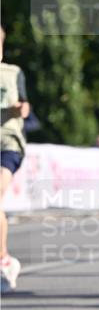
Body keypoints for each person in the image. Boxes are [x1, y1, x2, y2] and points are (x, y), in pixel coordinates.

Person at [0, 26, 30, 294]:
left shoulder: (13, 73)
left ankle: (2, 261)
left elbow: (25, 105)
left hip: (8, 142)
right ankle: (5, 260)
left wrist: (20, 108)